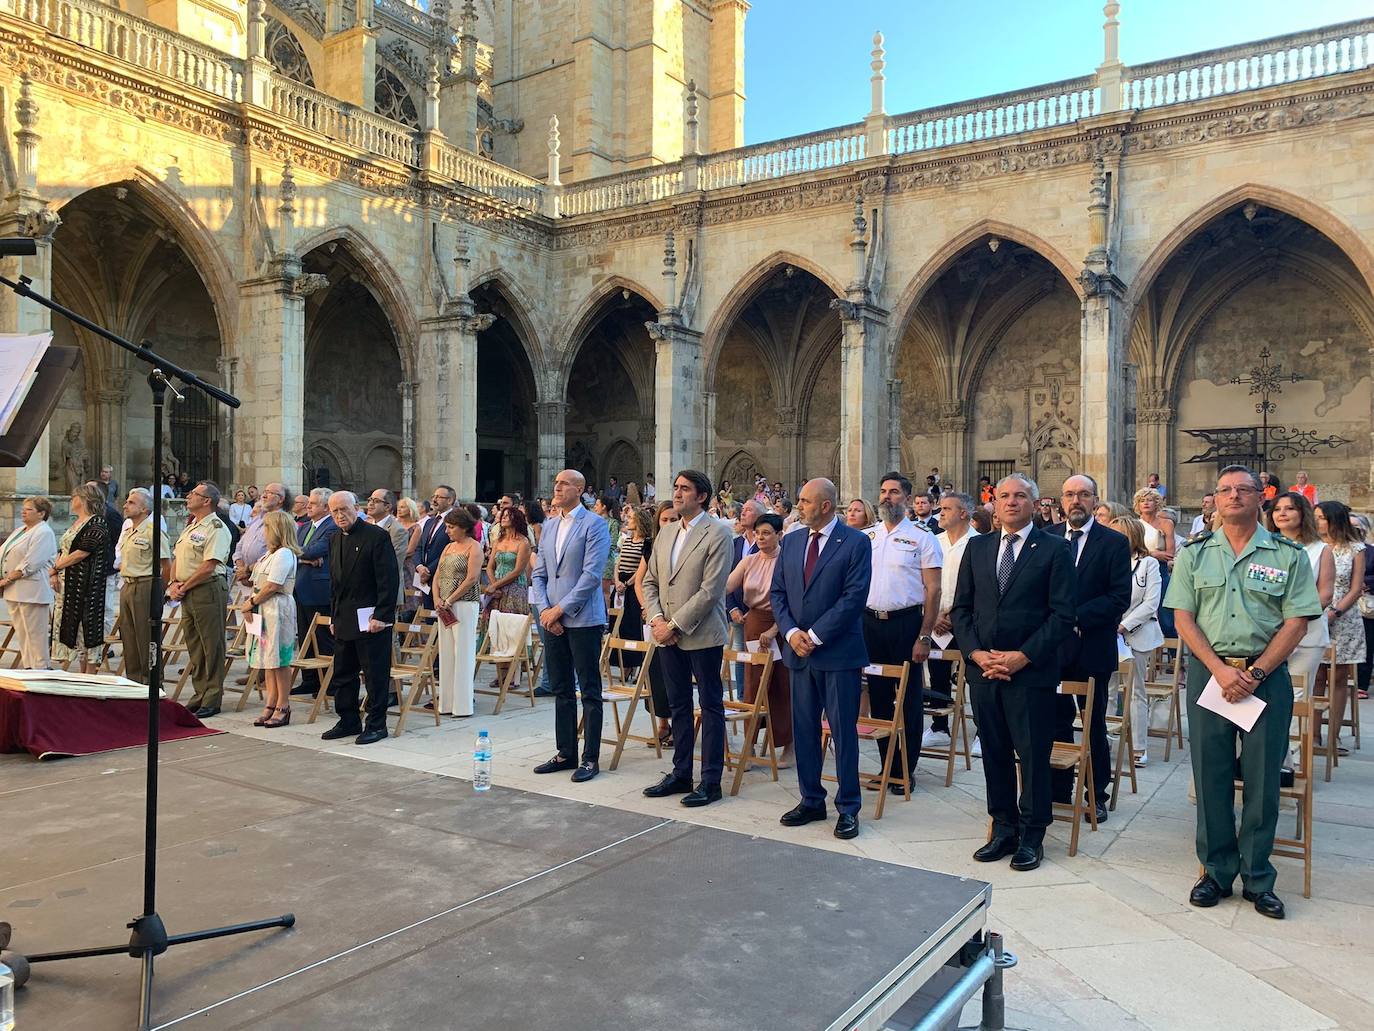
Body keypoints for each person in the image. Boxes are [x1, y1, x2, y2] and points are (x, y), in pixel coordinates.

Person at [1167, 465, 1320, 920]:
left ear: (1261, 498)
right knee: (1210, 775)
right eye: (1225, 490)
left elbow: (1297, 620)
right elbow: (1183, 618)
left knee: (1262, 780)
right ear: (1213, 499)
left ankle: (1257, 877)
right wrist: (1218, 669)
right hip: (1210, 675)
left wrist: (1253, 673)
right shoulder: (1195, 554)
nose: (1234, 496)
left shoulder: (1287, 555)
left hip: (1264, 677)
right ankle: (1215, 872)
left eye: (1243, 489)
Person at [952, 473, 1076, 872]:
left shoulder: (1055, 549)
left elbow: (1062, 614)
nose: (1010, 502)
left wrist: (1023, 656)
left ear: (1035, 503)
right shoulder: (977, 547)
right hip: (985, 670)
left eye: (1020, 496)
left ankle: (1033, 833)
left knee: (1033, 753)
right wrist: (974, 654)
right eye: (1004, 496)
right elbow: (962, 610)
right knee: (994, 751)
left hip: (1030, 671)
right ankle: (1003, 827)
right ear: (994, 504)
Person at [770, 478, 871, 840]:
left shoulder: (856, 543)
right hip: (798, 653)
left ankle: (848, 807)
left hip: (838, 652)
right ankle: (811, 799)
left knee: (843, 732)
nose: (799, 506)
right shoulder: (793, 540)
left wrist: (814, 635)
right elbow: (778, 592)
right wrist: (792, 633)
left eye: (805, 501)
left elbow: (854, 597)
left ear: (826, 505)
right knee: (805, 730)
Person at [640, 469, 734, 807]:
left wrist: (674, 624)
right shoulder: (666, 532)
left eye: (685, 489)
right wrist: (656, 619)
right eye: (676, 488)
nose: (677, 494)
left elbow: (710, 591)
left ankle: (710, 780)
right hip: (667, 633)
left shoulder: (718, 533)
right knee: (678, 704)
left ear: (702, 496)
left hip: (702, 634)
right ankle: (681, 772)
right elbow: (650, 581)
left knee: (709, 706)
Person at [1045, 474, 1131, 825]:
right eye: (1069, 495)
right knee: (1054, 721)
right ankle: (1057, 790)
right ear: (1061, 501)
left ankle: (1096, 795)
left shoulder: (1112, 543)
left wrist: (1074, 617)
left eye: (1083, 494)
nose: (1075, 501)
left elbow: (1118, 597)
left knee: (1092, 725)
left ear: (1095, 501)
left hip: (1092, 647)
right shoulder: (1047, 538)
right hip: (1051, 650)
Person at [861, 472, 943, 794]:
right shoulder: (867, 537)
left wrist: (924, 635)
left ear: (907, 498)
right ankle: (887, 766)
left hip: (905, 624)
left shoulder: (923, 537)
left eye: (894, 492)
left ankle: (905, 770)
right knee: (879, 697)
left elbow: (933, 590)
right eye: (883, 491)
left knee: (907, 699)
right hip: (871, 624)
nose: (886, 497)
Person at [529, 469, 612, 782]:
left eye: (563, 483)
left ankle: (590, 758)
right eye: (555, 483)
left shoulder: (595, 524)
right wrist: (546, 610)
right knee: (561, 688)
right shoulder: (549, 526)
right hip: (552, 617)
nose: (557, 487)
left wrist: (561, 609)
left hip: (583, 618)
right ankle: (565, 752)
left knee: (589, 690)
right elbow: (540, 574)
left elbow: (591, 576)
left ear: (580, 489)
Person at [321, 491, 399, 745]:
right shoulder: (335, 539)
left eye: (344, 509)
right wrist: (333, 615)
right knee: (343, 673)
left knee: (374, 673)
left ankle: (377, 724)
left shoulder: (377, 537)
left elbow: (388, 580)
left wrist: (382, 615)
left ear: (357, 508)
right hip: (344, 617)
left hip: (371, 618)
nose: (339, 515)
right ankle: (348, 719)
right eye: (334, 511)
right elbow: (335, 582)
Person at [1265, 493, 1333, 756]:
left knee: (1295, 697)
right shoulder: (1266, 546)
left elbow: (1324, 595)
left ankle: (1289, 760)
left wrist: (1292, 620)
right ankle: (1262, 756)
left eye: (1290, 508)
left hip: (1306, 634)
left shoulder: (1319, 550)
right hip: (1268, 633)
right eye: (1277, 509)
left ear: (1302, 513)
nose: (1282, 513)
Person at [725, 512, 792, 765]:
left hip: (781, 625)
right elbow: (727, 585)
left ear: (779, 535)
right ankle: (750, 744)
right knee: (752, 685)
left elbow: (792, 601)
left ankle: (788, 745)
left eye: (767, 533)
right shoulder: (749, 561)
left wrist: (776, 629)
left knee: (781, 686)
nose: (761, 538)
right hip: (754, 624)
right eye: (758, 533)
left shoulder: (786, 561)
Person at [168, 481, 231, 716]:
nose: (188, 496)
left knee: (211, 644)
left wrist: (184, 586)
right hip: (188, 589)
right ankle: (199, 693)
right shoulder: (192, 526)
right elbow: (178, 558)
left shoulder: (215, 527)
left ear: (207, 501)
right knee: (195, 645)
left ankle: (212, 697)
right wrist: (174, 584)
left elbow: (209, 565)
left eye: (194, 494)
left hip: (207, 588)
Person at [1107, 514, 1164, 768]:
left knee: (1135, 690)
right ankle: (1104, 737)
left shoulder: (1147, 564)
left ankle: (1139, 747)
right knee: (1107, 689)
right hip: (1108, 632)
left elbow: (1151, 602)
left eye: (1121, 536)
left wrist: (1124, 624)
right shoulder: (1105, 562)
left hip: (1136, 633)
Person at [926, 491, 980, 753]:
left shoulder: (979, 543)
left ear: (963, 513)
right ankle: (939, 726)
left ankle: (982, 729)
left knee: (974, 676)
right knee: (937, 672)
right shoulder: (933, 542)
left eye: (947, 508)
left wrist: (954, 613)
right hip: (936, 620)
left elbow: (981, 588)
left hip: (968, 620)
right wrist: (934, 614)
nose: (941, 513)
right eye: (941, 508)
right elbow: (925, 582)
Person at [241, 510, 300, 727]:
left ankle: (283, 704)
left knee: (279, 658)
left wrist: (252, 601)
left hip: (275, 608)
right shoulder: (269, 554)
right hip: (261, 608)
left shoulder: (284, 553)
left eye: (266, 528)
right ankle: (271, 701)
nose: (263, 532)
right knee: (267, 658)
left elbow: (273, 585)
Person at [1315, 500, 1365, 755]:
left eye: (1322, 517)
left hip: (1343, 618)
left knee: (1338, 677)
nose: (1318, 521)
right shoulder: (1314, 547)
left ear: (1334, 519)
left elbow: (1356, 588)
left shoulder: (1355, 549)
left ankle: (1333, 737)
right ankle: (1312, 735)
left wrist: (1334, 612)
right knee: (1316, 675)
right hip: (1314, 614)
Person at [47, 482, 110, 674]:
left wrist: (56, 566)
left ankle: (90, 674)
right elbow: (64, 549)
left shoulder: (97, 522)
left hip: (87, 585)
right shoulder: (76, 522)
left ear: (84, 500)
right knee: (75, 628)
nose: (71, 500)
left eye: (74, 496)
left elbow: (82, 552)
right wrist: (54, 571)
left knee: (87, 627)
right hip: (68, 583)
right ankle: (82, 673)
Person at [114, 488, 172, 685]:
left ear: (145, 508)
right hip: (128, 585)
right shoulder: (129, 530)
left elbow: (166, 565)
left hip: (145, 585)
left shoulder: (152, 531)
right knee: (129, 637)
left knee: (146, 638)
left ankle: (152, 683)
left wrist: (159, 593)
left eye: (131, 502)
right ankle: (134, 681)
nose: (125, 505)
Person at [435, 507, 483, 719]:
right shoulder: (448, 548)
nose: (448, 531)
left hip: (464, 604)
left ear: (464, 528)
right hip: (444, 605)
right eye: (447, 527)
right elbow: (438, 574)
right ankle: (446, 702)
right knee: (446, 652)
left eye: (451, 527)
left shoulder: (474, 548)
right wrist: (437, 599)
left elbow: (472, 578)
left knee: (463, 652)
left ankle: (462, 705)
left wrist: (451, 599)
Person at [0, 495, 58, 669]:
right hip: (14, 590)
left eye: (28, 509)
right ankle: (28, 668)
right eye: (23, 508)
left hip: (33, 590)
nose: (23, 512)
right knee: (23, 634)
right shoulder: (20, 530)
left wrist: (7, 579)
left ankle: (41, 668)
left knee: (36, 635)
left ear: (41, 513)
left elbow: (31, 563)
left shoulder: (44, 532)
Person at [292, 488, 338, 696]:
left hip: (320, 589)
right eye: (308, 503)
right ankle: (310, 679)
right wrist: (303, 558)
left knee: (323, 638)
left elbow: (314, 550)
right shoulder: (304, 527)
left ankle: (328, 680)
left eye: (313, 503)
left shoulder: (331, 526)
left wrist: (302, 555)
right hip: (301, 586)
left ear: (326, 507)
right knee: (305, 636)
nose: (307, 506)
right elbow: (291, 549)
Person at [613, 504, 652, 678]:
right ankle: (624, 663)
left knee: (633, 626)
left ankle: (636, 663)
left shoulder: (645, 543)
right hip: (620, 584)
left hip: (633, 585)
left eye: (631, 518)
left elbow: (641, 568)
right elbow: (618, 562)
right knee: (619, 625)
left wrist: (628, 583)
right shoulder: (627, 540)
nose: (628, 520)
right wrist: (617, 581)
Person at [1135, 487, 1177, 637]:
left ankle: (1173, 657)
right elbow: (1132, 551)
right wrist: (1153, 553)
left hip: (1161, 570)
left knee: (1166, 618)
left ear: (1157, 503)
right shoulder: (1135, 525)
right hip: (1138, 570)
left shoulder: (1166, 523)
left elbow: (1169, 554)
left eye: (1149, 500)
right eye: (1142, 500)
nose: (1146, 503)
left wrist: (1148, 554)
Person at [414, 485, 457, 607]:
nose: (434, 500)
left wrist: (429, 570)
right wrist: (420, 567)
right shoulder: (429, 521)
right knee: (428, 616)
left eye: (439, 497)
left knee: (441, 619)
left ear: (449, 500)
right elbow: (419, 548)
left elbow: (451, 549)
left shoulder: (455, 522)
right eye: (434, 496)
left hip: (442, 577)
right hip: (424, 578)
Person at [365, 489, 409, 606]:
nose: (370, 503)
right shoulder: (366, 526)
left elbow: (393, 563)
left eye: (375, 501)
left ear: (387, 506)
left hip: (386, 590)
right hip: (364, 591)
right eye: (369, 500)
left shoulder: (397, 530)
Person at [594, 494, 622, 610]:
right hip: (594, 559)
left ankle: (606, 619)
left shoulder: (613, 523)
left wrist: (599, 552)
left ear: (604, 507)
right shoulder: (594, 522)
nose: (595, 507)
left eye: (597, 505)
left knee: (604, 591)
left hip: (605, 560)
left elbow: (613, 543)